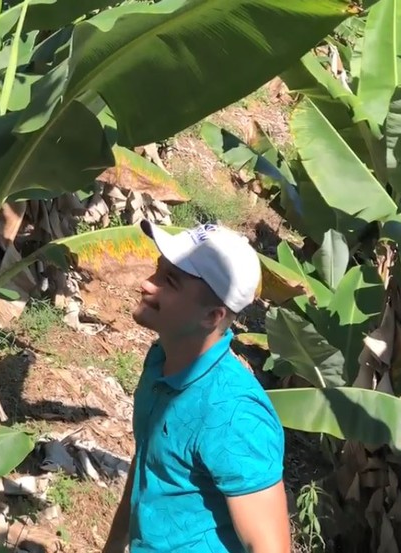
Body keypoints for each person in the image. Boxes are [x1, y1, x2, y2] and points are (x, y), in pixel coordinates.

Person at [103, 220, 290, 553]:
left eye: (169, 282)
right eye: (158, 270)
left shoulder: (235, 415)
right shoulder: (161, 361)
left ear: (212, 317)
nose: (147, 284)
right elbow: (150, 463)